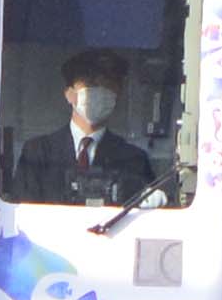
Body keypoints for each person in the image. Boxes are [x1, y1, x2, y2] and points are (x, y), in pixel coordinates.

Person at [9, 58, 164, 207]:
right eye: (91, 84)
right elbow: (23, 210)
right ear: (69, 94)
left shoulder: (134, 159)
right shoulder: (38, 153)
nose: (100, 92)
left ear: (117, 97)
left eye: (109, 86)